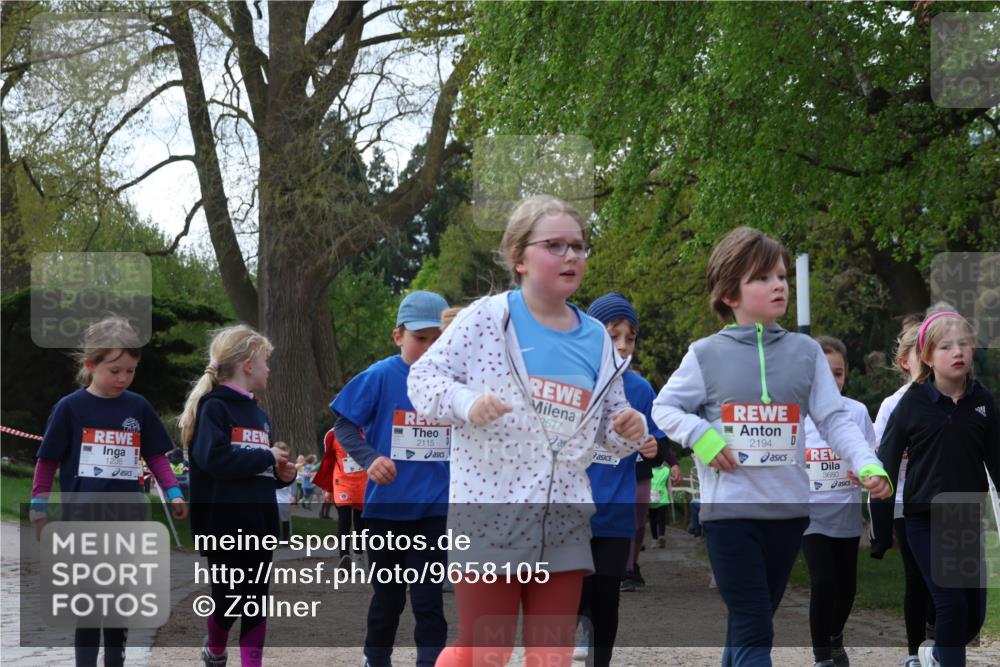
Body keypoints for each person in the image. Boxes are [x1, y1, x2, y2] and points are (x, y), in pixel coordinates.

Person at [408, 195, 647, 667]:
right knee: (485, 653)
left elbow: (610, 431)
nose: (571, 256)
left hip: (564, 518)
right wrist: (467, 401)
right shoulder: (487, 318)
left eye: (578, 246)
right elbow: (423, 380)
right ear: (519, 258)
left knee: (551, 657)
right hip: (490, 512)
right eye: (555, 245)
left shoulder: (598, 338)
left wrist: (629, 428)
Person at [651, 226, 891, 667]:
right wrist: (701, 436)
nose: (778, 284)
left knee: (748, 623)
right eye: (762, 277)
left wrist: (867, 463)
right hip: (730, 515)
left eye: (781, 275)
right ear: (729, 293)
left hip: (788, 514)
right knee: (755, 624)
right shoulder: (704, 354)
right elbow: (665, 409)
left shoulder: (805, 353)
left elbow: (834, 417)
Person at [30, 317, 188, 667]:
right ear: (90, 365)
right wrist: (39, 506)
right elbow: (47, 461)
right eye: (115, 370)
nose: (123, 378)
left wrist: (174, 492)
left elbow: (157, 458)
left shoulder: (138, 407)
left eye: (131, 371)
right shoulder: (70, 408)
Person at [331, 290, 451, 667]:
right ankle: (375, 659)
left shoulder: (454, 382)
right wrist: (370, 459)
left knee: (429, 599)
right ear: (398, 336)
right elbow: (343, 428)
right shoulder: (381, 376)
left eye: (438, 339)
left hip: (434, 511)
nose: (430, 347)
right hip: (386, 512)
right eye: (420, 338)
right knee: (388, 599)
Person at [871, 311, 998, 667]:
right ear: (927, 356)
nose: (957, 352)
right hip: (924, 520)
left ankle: (936, 655)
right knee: (950, 603)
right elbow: (886, 468)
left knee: (973, 615)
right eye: (946, 346)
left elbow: (997, 462)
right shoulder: (910, 404)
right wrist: (881, 531)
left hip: (968, 518)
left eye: (964, 344)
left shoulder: (982, 402)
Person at [179, 325, 296, 667]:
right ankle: (215, 648)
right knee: (229, 598)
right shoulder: (214, 408)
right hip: (224, 525)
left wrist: (279, 474)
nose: (268, 369)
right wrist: (266, 457)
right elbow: (213, 460)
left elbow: (256, 470)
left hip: (260, 523)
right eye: (265, 362)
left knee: (256, 602)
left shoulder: (260, 415)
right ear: (247, 365)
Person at [572, 291, 665, 665]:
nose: (623, 346)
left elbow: (657, 439)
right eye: (614, 336)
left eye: (631, 337)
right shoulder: (573, 386)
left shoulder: (640, 390)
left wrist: (653, 448)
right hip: (571, 515)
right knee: (574, 599)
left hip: (614, 514)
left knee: (607, 599)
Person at [801, 336, 877, 667]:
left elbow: (870, 456)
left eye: (838, 373)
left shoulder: (856, 412)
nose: (832, 381)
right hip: (810, 516)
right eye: (823, 373)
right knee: (824, 582)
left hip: (846, 516)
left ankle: (834, 637)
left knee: (847, 589)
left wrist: (866, 472)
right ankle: (822, 656)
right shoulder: (797, 416)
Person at [870, 322, 934, 667]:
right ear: (904, 361)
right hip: (903, 503)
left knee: (946, 578)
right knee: (918, 577)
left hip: (940, 502)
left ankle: (939, 644)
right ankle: (915, 651)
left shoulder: (948, 399)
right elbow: (879, 455)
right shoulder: (892, 404)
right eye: (920, 355)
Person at [274, 442, 294, 541]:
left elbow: (293, 482)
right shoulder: (272, 467)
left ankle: (285, 538)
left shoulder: (289, 467)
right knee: (273, 519)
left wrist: (293, 496)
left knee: (285, 520)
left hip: (284, 499)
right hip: (274, 498)